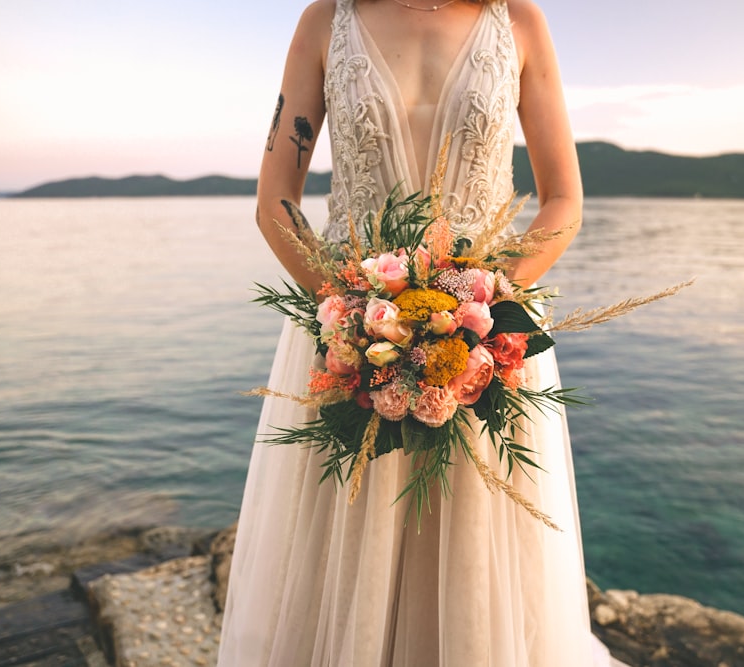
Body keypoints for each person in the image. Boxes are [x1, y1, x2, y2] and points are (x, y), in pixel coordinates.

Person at [218, 1, 620, 665]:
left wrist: (482, 308)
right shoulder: (328, 19)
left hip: (483, 341)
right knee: (341, 541)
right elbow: (275, 200)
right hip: (352, 336)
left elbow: (563, 200)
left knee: (474, 545)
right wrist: (352, 310)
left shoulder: (517, 20)